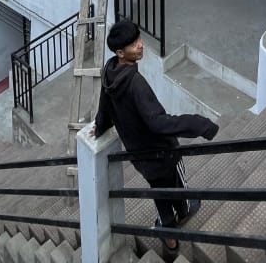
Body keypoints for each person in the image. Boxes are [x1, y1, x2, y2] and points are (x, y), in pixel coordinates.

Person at [92, 20, 218, 252]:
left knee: (159, 192)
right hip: (163, 152)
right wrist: (198, 124)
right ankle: (183, 212)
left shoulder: (109, 73)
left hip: (140, 156)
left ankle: (170, 240)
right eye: (133, 44)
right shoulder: (136, 83)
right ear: (120, 53)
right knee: (178, 186)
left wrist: (99, 127)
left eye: (138, 39)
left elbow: (105, 105)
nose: (140, 45)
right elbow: (158, 122)